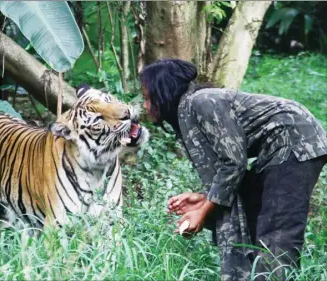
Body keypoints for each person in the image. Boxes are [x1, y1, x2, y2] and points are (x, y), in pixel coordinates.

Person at [139, 58, 327, 281]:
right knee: (255, 214)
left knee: (276, 235)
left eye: (148, 98)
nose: (145, 106)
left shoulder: (202, 101)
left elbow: (233, 162)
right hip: (275, 150)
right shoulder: (187, 113)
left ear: (163, 94)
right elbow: (227, 168)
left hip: (295, 141)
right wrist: (205, 198)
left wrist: (204, 209)